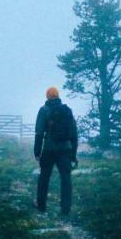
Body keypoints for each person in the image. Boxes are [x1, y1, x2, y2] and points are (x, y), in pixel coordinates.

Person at [34, 86, 78, 214]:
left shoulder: (43, 110)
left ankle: (41, 206)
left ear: (47, 96)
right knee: (66, 178)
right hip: (65, 149)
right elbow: (74, 134)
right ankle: (66, 208)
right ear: (58, 96)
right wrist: (73, 155)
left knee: (44, 177)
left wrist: (37, 151)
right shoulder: (67, 110)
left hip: (48, 149)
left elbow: (39, 132)